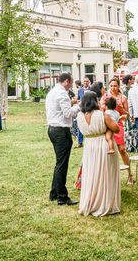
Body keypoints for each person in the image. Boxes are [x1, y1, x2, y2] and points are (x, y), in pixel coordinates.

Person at [76, 91, 120, 216]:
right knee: (106, 173)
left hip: (89, 146)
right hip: (103, 145)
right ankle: (105, 203)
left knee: (92, 174)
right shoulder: (102, 115)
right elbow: (116, 128)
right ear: (95, 101)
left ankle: (91, 201)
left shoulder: (79, 116)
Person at [46, 73, 79, 205]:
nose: (71, 86)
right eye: (70, 83)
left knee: (59, 163)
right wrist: (79, 107)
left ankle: (54, 193)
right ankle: (62, 196)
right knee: (62, 164)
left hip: (53, 129)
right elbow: (68, 113)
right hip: (61, 131)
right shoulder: (62, 93)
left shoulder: (52, 91)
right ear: (66, 81)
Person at [101, 77, 133, 185]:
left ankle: (130, 175)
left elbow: (127, 114)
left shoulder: (123, 97)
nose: (113, 88)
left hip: (118, 124)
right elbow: (101, 110)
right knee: (107, 151)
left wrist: (121, 108)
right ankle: (109, 178)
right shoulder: (105, 96)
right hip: (107, 124)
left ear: (118, 86)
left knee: (122, 149)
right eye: (111, 86)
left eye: (115, 85)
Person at [74, 77, 91, 148]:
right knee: (80, 125)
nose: (85, 83)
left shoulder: (92, 89)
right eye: (84, 81)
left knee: (90, 125)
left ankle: (90, 142)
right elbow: (78, 99)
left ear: (89, 82)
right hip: (82, 110)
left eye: (87, 81)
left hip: (90, 109)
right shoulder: (80, 90)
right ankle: (80, 142)